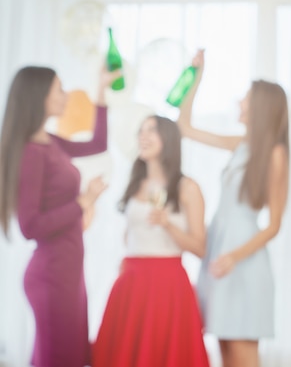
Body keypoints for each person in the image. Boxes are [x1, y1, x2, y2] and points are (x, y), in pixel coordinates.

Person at [177, 50, 290, 367]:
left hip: (243, 260)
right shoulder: (241, 144)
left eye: (246, 98)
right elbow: (184, 127)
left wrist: (233, 257)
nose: (240, 102)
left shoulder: (275, 154)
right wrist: (195, 79)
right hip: (219, 250)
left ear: (261, 107)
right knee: (224, 353)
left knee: (242, 355)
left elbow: (274, 225)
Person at [0, 66, 116, 367]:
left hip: (68, 272)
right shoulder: (31, 153)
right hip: (52, 277)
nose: (66, 96)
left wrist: (101, 90)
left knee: (71, 357)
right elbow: (30, 227)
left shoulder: (49, 142)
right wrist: (84, 201)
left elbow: (98, 143)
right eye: (60, 89)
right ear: (40, 96)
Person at [92, 115, 210, 367]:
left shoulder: (187, 187)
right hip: (131, 281)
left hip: (168, 285)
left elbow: (200, 248)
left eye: (151, 130)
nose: (143, 136)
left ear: (168, 139)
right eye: (141, 130)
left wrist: (167, 224)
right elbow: (131, 235)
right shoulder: (135, 184)